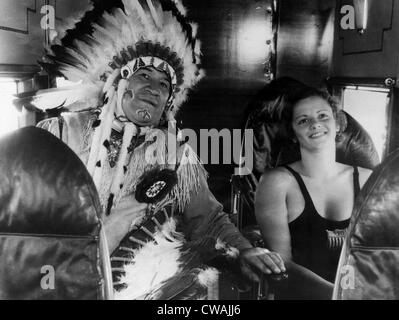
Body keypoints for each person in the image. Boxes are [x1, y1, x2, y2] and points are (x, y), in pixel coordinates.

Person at [29, 0, 284, 299]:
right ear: (115, 82)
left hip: (146, 285)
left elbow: (208, 219)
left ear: (168, 102)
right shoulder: (59, 134)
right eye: (143, 75)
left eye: (165, 84)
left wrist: (244, 251)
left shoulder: (176, 155)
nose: (155, 88)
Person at [255, 85, 373, 299]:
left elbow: (378, 254)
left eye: (322, 116)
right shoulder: (276, 183)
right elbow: (282, 267)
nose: (315, 123)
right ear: (293, 133)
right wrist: (341, 297)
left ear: (337, 123)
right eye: (303, 120)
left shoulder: (368, 179)